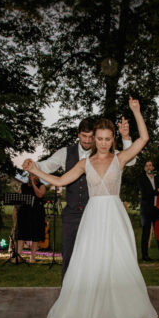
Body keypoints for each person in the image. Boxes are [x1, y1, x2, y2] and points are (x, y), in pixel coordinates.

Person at [25, 97, 157, 318]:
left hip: (115, 217)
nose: (104, 143)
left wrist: (136, 111)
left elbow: (143, 139)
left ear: (113, 139)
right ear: (94, 139)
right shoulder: (85, 163)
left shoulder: (120, 158)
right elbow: (61, 180)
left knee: (118, 264)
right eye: (100, 139)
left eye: (108, 139)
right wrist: (35, 169)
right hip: (93, 217)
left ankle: (124, 316)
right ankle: (78, 312)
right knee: (88, 264)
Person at [24, 116, 135, 278]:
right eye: (84, 136)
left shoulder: (107, 152)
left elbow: (130, 161)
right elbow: (47, 166)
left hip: (97, 216)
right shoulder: (65, 153)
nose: (88, 140)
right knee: (69, 256)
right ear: (78, 134)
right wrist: (33, 166)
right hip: (72, 214)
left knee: (95, 258)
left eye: (91, 137)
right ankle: (68, 291)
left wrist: (126, 137)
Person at [15, 173, 47, 263]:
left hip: (36, 212)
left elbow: (40, 195)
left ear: (37, 176)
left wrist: (33, 184)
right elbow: (19, 198)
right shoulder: (23, 186)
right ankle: (18, 255)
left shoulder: (41, 186)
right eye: (30, 175)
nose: (31, 177)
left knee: (35, 234)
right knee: (22, 234)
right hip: (24, 212)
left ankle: (32, 257)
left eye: (34, 175)